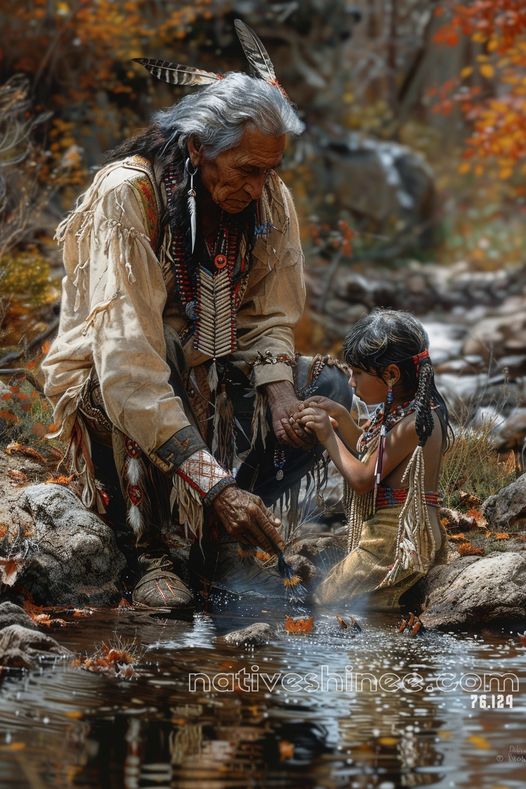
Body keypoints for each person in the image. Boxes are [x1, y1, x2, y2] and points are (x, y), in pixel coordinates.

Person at [42, 21, 352, 608]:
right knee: (158, 349)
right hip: (118, 390)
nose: (261, 187)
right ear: (196, 149)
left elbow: (271, 314)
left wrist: (281, 390)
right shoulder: (128, 195)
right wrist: (216, 485)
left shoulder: (267, 194)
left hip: (211, 371)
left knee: (324, 388)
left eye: (270, 170)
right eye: (245, 171)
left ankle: (219, 541)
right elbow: (127, 367)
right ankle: (150, 548)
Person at [293, 309, 451, 609]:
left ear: (391, 374)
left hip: (395, 539)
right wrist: (340, 416)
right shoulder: (404, 410)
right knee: (339, 602)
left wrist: (328, 436)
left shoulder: (413, 422)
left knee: (324, 602)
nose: (351, 383)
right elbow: (370, 451)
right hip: (386, 534)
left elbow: (365, 478)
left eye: (358, 374)